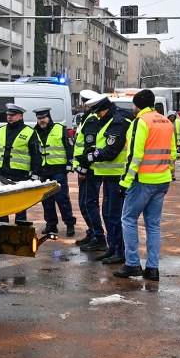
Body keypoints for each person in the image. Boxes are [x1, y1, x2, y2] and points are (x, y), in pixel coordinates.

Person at [114, 90, 177, 281]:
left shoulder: (140, 122)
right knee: (153, 225)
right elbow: (172, 153)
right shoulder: (166, 122)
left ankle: (132, 264)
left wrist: (124, 182)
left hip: (142, 181)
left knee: (128, 219)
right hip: (162, 180)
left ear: (137, 105)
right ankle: (152, 268)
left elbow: (135, 155)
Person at [78, 94, 130, 264]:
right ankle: (113, 248)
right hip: (107, 176)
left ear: (104, 109)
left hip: (117, 176)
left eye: (99, 112)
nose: (97, 116)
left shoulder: (117, 121)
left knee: (115, 215)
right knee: (107, 213)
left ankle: (120, 251)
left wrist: (89, 158)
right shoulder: (107, 120)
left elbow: (111, 150)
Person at [0, 102, 42, 225]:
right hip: (1, 173)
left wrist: (35, 174)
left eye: (13, 115)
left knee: (20, 204)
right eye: (8, 115)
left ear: (21, 116)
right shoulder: (1, 130)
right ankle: (2, 226)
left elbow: (36, 155)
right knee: (1, 203)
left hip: (20, 174)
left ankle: (20, 226)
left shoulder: (29, 132)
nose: (10, 117)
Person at [33, 107, 76, 238]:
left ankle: (69, 224)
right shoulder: (34, 132)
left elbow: (70, 148)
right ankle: (51, 225)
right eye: (39, 118)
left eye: (44, 118)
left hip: (58, 170)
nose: (41, 121)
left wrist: (70, 164)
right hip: (43, 171)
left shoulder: (60, 129)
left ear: (49, 117)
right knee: (46, 200)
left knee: (62, 199)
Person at [72, 89, 103, 247]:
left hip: (88, 169)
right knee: (88, 203)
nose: (82, 104)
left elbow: (89, 147)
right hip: (88, 168)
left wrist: (83, 169)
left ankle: (98, 236)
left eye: (84, 102)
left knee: (87, 203)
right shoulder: (88, 118)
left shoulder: (91, 120)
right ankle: (93, 233)